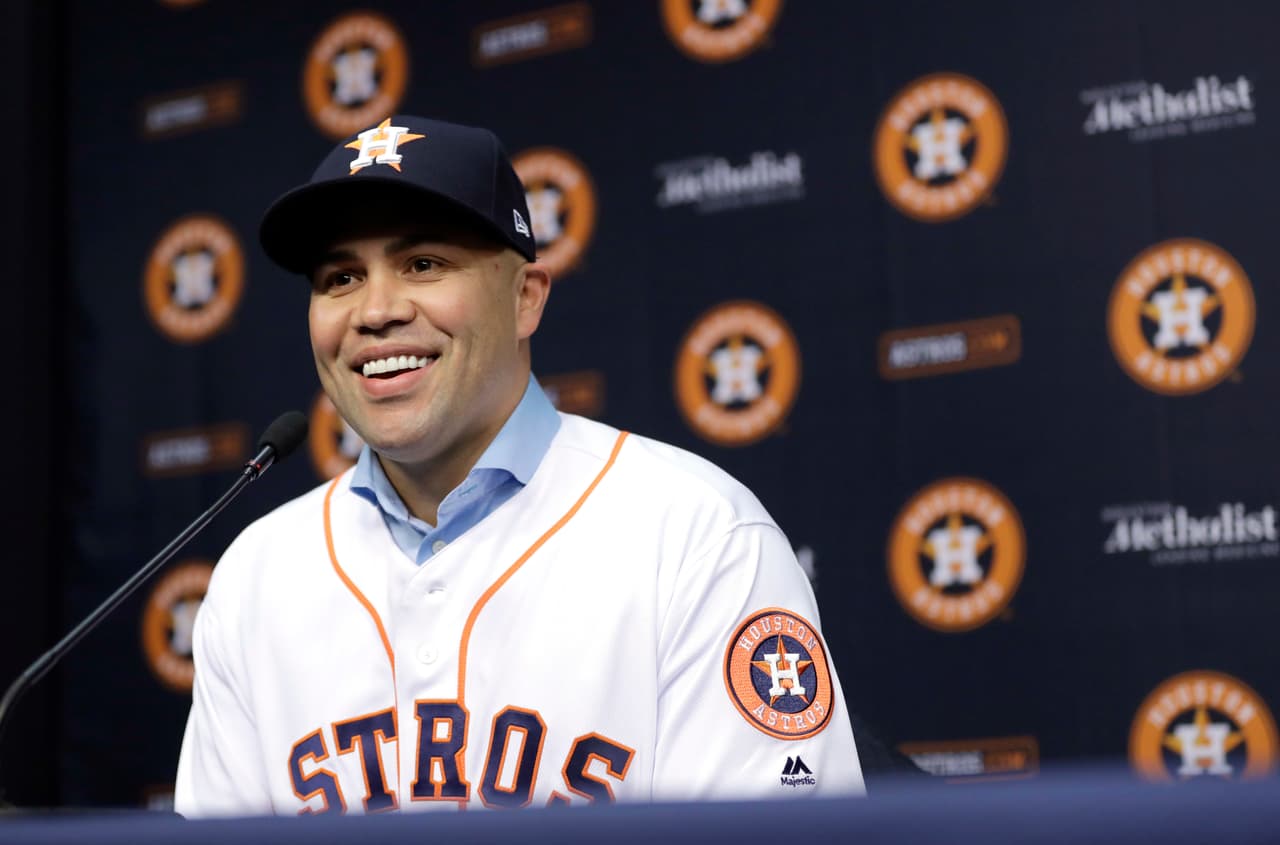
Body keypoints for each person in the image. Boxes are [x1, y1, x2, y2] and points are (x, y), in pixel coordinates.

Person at [174, 115, 865, 816]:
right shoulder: (256, 574)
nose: (376, 311)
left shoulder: (696, 535)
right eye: (341, 276)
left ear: (525, 297)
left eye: (424, 264)